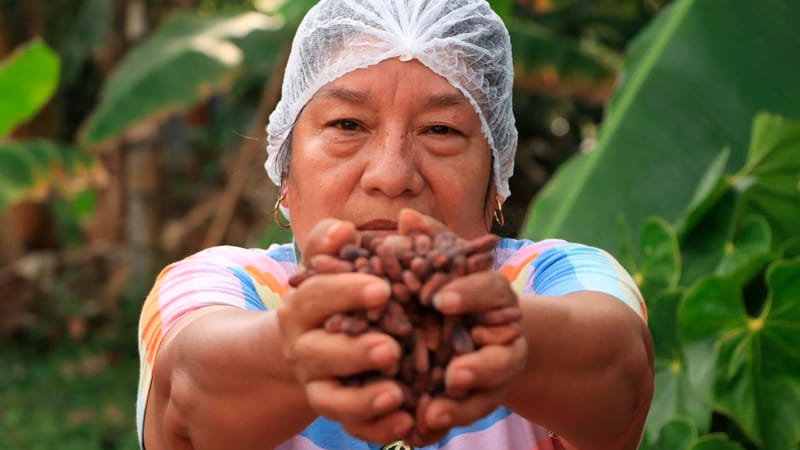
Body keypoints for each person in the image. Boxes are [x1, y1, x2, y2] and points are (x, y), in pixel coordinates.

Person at [136, 0, 654, 448]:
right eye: (347, 124)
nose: (391, 175)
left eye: (441, 129)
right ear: (284, 170)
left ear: (496, 180)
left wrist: (503, 335)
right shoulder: (222, 286)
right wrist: (295, 349)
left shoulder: (556, 278)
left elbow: (621, 374)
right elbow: (187, 397)